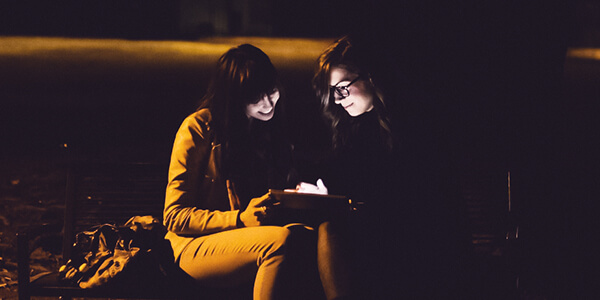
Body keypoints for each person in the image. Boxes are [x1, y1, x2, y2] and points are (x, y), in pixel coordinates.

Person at [163, 44, 301, 300]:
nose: (269, 103)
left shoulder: (269, 130)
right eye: (255, 97)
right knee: (278, 242)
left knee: (310, 236)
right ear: (233, 97)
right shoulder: (199, 129)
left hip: (250, 238)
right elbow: (175, 216)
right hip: (194, 246)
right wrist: (238, 219)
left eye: (272, 91)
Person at [301, 34, 401, 299]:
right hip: (376, 230)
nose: (337, 98)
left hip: (405, 235)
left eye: (343, 87)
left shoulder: (405, 127)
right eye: (333, 91)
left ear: (371, 76)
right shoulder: (353, 127)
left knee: (329, 229)